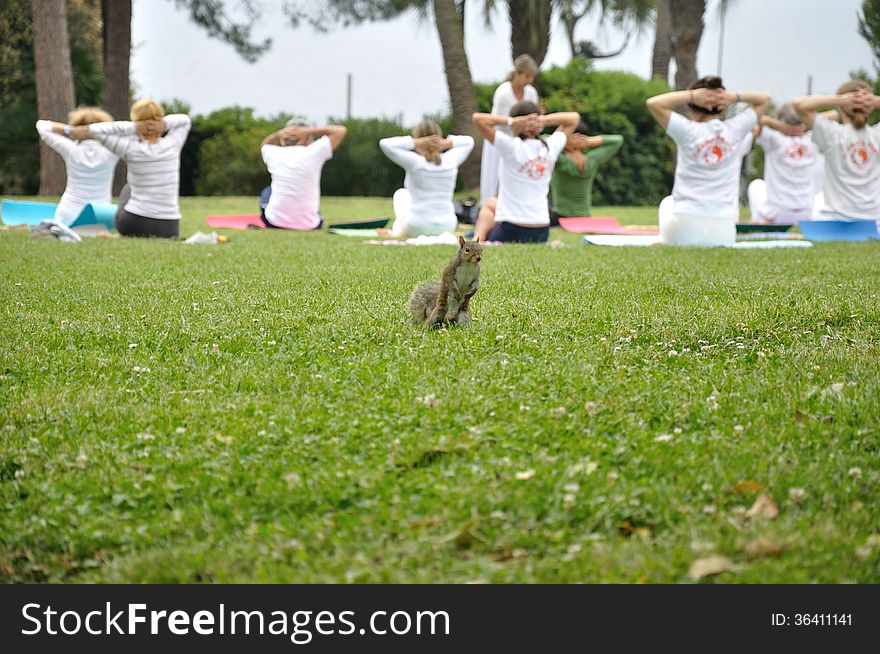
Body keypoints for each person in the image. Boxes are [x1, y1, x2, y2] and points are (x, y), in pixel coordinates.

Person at [646, 76, 770, 246]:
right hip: (724, 232)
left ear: (693, 107)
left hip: (684, 229)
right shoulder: (736, 129)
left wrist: (691, 96)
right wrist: (733, 97)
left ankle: (664, 239)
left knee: (668, 202)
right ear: (722, 106)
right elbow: (765, 100)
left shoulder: (687, 130)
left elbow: (654, 103)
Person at [79, 99, 190, 238]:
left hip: (133, 222)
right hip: (169, 228)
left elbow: (94, 130)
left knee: (128, 188)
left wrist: (134, 127)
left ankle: (121, 235)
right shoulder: (172, 144)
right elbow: (185, 120)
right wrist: (163, 124)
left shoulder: (129, 148)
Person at [472, 102, 580, 243]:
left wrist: (512, 122)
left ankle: (477, 239)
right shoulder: (550, 147)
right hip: (541, 232)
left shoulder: (510, 146)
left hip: (510, 231)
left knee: (488, 204)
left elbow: (477, 119)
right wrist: (543, 120)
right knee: (493, 203)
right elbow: (574, 118)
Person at [794, 80, 880, 220]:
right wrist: (875, 101)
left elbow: (798, 104)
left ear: (841, 108)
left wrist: (840, 100)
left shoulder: (831, 134)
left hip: (836, 219)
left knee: (818, 200)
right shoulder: (877, 134)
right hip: (875, 219)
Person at [378, 120, 474, 237]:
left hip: (417, 226)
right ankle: (400, 232)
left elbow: (385, 144)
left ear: (419, 138)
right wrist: (445, 143)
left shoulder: (414, 162)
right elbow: (469, 141)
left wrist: (415, 143)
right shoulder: (450, 160)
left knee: (401, 194)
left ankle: (398, 232)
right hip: (447, 226)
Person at [35, 107, 119, 226]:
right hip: (102, 216)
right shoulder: (112, 150)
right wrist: (107, 130)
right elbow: (133, 132)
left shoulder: (71, 149)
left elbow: (41, 126)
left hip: (67, 216)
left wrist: (70, 130)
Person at [259, 120, 347, 230]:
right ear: (307, 139)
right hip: (310, 225)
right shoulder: (314, 152)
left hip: (274, 223)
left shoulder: (274, 153)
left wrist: (278, 134)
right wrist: (308, 131)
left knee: (268, 191)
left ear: (283, 139)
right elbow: (340, 130)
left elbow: (264, 145)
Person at [479, 54, 540, 204]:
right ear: (517, 73)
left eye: (532, 77)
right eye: (527, 76)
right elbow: (499, 121)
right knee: (494, 179)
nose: (530, 81)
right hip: (499, 139)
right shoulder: (503, 93)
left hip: (521, 142)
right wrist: (516, 122)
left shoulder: (531, 92)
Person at [746, 104, 820, 224]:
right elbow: (832, 116)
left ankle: (759, 219)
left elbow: (758, 119)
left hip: (776, 214)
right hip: (808, 214)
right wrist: (803, 125)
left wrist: (782, 127)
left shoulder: (774, 139)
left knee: (756, 186)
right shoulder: (811, 139)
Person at [549, 124, 623, 224]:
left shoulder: (560, 160)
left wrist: (562, 140)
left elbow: (543, 140)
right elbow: (617, 140)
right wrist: (588, 141)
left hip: (560, 218)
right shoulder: (592, 160)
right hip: (585, 217)